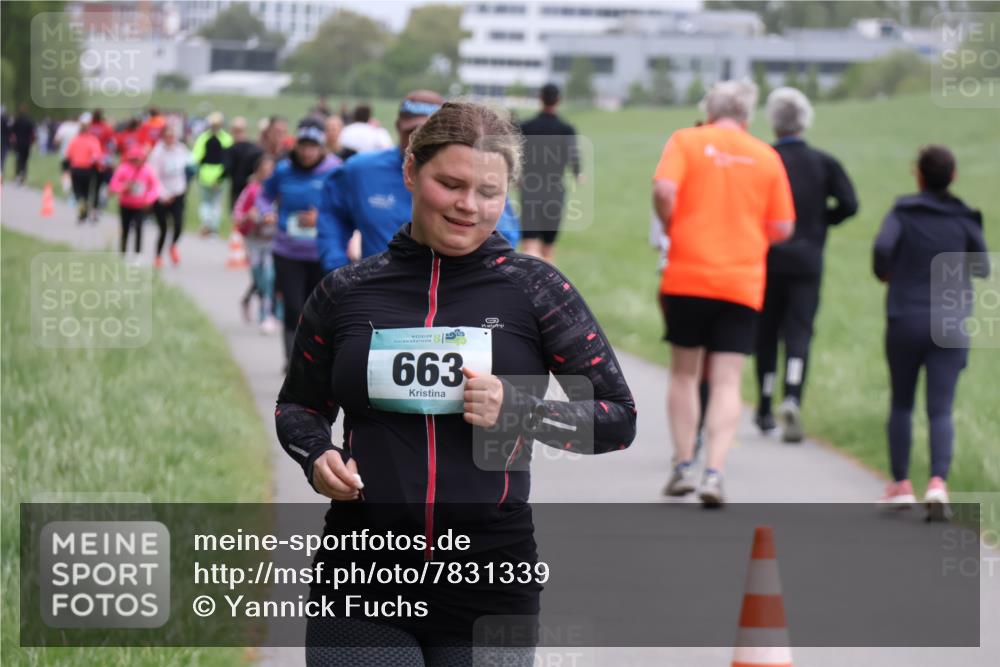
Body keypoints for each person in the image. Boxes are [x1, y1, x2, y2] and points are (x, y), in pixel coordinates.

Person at [275, 100, 636, 666]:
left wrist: (522, 412)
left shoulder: (536, 289)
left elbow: (618, 419)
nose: (469, 205)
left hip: (490, 576)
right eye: (450, 184)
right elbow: (298, 406)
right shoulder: (345, 292)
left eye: (489, 192)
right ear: (410, 170)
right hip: (363, 572)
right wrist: (316, 455)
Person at [652, 80, 795, 507]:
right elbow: (783, 227)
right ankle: (714, 472)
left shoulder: (686, 141)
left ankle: (683, 464)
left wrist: (673, 224)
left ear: (709, 111)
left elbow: (663, 189)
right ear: (747, 117)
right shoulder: (766, 156)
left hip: (688, 274)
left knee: (685, 373)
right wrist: (752, 234)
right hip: (741, 280)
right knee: (728, 380)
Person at [873, 145, 989, 517]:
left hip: (905, 318)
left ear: (918, 175)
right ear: (953, 176)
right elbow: (983, 266)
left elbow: (882, 246)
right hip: (950, 323)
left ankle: (901, 485)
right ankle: (938, 484)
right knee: (940, 409)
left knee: (902, 403)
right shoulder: (964, 217)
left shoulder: (902, 213)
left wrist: (886, 272)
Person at [317, 91, 521, 273]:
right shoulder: (360, 170)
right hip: (378, 289)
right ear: (398, 126)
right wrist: (338, 266)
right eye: (412, 131)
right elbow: (332, 213)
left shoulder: (477, 178)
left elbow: (505, 233)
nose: (421, 140)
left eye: (430, 132)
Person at [754, 88, 859, 442]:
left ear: (773, 121)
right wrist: (821, 221)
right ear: (805, 121)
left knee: (767, 332)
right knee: (799, 331)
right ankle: (793, 396)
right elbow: (850, 204)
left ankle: (764, 404)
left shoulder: (764, 159)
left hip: (768, 257)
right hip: (807, 259)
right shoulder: (823, 162)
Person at [260, 118, 342, 362]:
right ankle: (292, 363)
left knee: (318, 312)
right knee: (293, 308)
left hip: (321, 252)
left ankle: (313, 361)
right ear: (296, 145)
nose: (307, 152)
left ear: (321, 147)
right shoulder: (283, 169)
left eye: (313, 146)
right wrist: (267, 212)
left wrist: (321, 217)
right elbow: (264, 196)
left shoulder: (335, 169)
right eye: (303, 146)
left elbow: (346, 205)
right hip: (288, 251)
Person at [518, 83, 581, 264]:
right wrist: (578, 173)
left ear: (540, 98)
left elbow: (516, 155)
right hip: (554, 189)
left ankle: (529, 278)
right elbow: (574, 157)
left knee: (529, 244)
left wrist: (517, 176)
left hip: (530, 187)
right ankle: (547, 278)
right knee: (548, 247)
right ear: (558, 100)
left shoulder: (526, 127)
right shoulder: (566, 129)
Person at [232, 153, 280, 334]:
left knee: (269, 277)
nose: (267, 174)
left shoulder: (281, 191)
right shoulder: (251, 190)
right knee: (259, 278)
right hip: (253, 242)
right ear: (257, 172)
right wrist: (248, 216)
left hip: (274, 243)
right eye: (264, 171)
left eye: (271, 171)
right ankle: (256, 303)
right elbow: (237, 215)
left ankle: (266, 314)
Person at [147, 122, 192, 268]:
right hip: (162, 196)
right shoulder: (157, 153)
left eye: (172, 136)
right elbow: (154, 177)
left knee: (179, 225)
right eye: (167, 136)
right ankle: (158, 256)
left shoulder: (180, 149)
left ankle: (172, 245)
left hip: (178, 192)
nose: (170, 138)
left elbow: (187, 167)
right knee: (163, 228)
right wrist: (164, 194)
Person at [109, 144, 160, 260]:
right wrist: (123, 187)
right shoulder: (123, 169)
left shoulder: (147, 170)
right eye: (133, 159)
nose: (136, 161)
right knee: (125, 228)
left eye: (138, 159)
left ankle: (137, 254)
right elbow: (113, 185)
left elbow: (154, 187)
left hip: (140, 205)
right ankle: (122, 253)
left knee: (138, 228)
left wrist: (149, 199)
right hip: (125, 204)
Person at [192, 112, 233, 236]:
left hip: (205, 174)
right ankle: (213, 228)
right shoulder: (226, 138)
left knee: (206, 202)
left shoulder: (203, 138)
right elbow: (229, 159)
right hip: (220, 174)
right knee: (216, 203)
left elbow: (196, 157)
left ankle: (207, 224)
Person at [65, 113, 104, 223]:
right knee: (86, 191)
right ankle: (84, 211)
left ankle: (81, 208)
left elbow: (68, 155)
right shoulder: (93, 140)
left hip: (76, 168)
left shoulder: (75, 139)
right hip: (87, 169)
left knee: (77, 190)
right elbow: (97, 156)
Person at [225, 116, 263, 208]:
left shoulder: (230, 149)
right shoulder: (254, 148)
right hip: (251, 187)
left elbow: (227, 168)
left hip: (237, 188)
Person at [11, 104, 36, 185]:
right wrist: (32, 143)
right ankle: (23, 176)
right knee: (25, 161)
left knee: (19, 160)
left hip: (18, 144)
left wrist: (13, 142)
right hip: (26, 144)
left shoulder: (17, 120)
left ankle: (18, 176)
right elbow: (32, 133)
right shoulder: (29, 121)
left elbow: (13, 133)